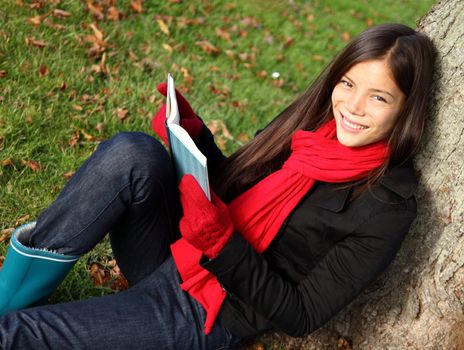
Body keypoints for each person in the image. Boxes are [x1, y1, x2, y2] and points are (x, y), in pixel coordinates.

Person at [0, 23, 435, 349]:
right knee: (133, 154)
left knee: (19, 336)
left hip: (208, 309)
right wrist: (192, 135)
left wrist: (222, 243)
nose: (353, 107)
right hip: (180, 252)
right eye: (348, 84)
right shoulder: (312, 128)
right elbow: (236, 186)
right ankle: (10, 295)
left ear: (406, 110)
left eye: (379, 97)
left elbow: (301, 315)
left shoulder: (387, 206)